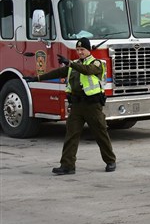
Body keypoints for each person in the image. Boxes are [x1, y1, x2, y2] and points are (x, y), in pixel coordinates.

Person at [23, 37, 116, 175]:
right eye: (78, 50)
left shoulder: (96, 63)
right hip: (77, 105)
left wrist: (70, 63)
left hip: (92, 105)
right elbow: (58, 72)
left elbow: (87, 70)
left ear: (88, 50)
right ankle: (67, 165)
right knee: (71, 135)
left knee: (100, 133)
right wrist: (37, 78)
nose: (80, 52)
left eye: (82, 49)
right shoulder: (74, 65)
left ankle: (110, 161)